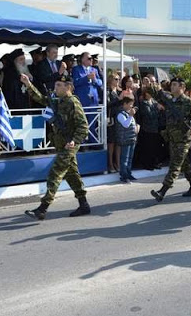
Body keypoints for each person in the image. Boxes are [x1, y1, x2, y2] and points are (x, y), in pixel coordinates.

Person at [21, 73, 91, 220]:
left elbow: (83, 126)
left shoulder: (73, 102)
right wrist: (28, 84)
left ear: (69, 87)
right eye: (56, 84)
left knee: (55, 174)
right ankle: (83, 204)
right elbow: (41, 98)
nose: (56, 87)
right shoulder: (57, 101)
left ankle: (43, 208)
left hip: (69, 145)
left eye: (59, 85)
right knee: (72, 174)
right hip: (61, 144)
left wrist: (74, 141)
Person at [145, 76, 191, 202]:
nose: (172, 87)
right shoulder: (169, 99)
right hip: (172, 137)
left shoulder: (188, 102)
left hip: (184, 138)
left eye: (176, 85)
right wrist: (150, 85)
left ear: (182, 87)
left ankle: (163, 191)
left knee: (175, 165)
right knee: (185, 163)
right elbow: (155, 93)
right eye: (172, 85)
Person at [72, 52, 102, 143]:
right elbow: (75, 82)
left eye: (91, 58)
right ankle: (82, 143)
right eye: (89, 58)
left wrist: (94, 79)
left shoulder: (94, 70)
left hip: (93, 100)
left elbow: (100, 83)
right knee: (82, 122)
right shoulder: (76, 69)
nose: (91, 60)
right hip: (82, 99)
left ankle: (93, 141)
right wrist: (86, 77)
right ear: (83, 60)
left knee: (92, 122)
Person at [136, 81, 162, 170]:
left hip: (155, 128)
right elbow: (149, 115)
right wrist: (157, 110)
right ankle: (148, 164)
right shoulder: (144, 103)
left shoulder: (153, 101)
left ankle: (154, 163)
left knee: (154, 147)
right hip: (147, 128)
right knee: (148, 147)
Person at [116, 97, 138, 184]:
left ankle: (128, 173)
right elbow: (126, 125)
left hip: (132, 139)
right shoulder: (121, 114)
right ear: (125, 104)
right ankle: (124, 175)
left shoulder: (128, 114)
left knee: (130, 158)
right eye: (130, 104)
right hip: (125, 139)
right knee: (124, 158)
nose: (131, 106)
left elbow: (132, 124)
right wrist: (131, 116)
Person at [106, 73, 122, 172]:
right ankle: (111, 164)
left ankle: (118, 163)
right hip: (111, 119)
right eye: (116, 79)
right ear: (111, 80)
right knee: (111, 142)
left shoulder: (119, 91)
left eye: (118, 79)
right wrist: (118, 100)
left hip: (119, 118)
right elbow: (107, 104)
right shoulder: (107, 91)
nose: (117, 81)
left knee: (118, 142)